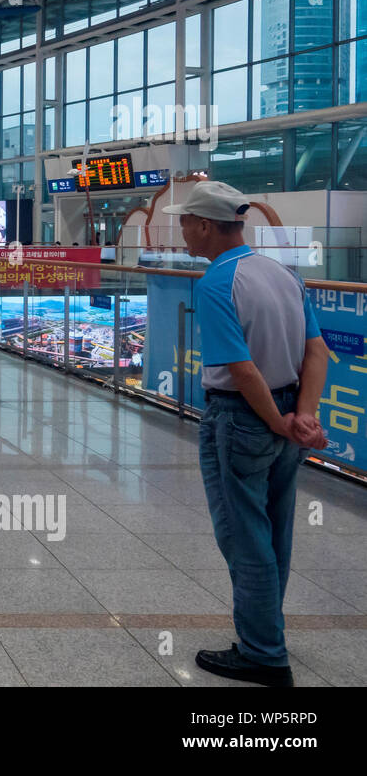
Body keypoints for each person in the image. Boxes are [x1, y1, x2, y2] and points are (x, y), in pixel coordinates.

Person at [163, 181, 329, 688]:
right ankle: (267, 632)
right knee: (275, 529)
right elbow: (316, 352)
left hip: (241, 419)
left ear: (208, 226)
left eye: (187, 222)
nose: (183, 230)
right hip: (284, 411)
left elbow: (240, 369)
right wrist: (301, 416)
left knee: (244, 537)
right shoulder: (284, 275)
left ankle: (262, 654)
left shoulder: (216, 282)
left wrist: (276, 421)